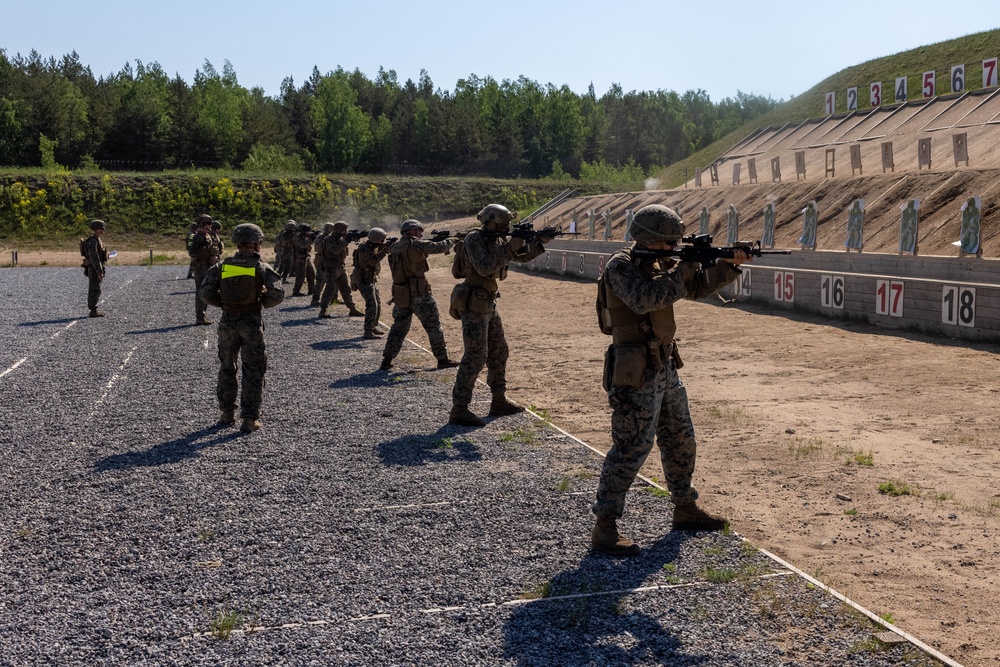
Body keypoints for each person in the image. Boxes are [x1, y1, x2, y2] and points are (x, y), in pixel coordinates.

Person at [591, 204, 751, 557]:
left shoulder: (662, 264)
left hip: (664, 363)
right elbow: (645, 298)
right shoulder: (622, 266)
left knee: (680, 437)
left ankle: (684, 507)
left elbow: (695, 289)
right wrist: (683, 267)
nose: (672, 249)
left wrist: (728, 265)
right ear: (649, 239)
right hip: (634, 370)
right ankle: (605, 526)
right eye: (668, 244)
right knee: (632, 446)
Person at [448, 204, 547, 426]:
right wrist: (511, 244)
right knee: (475, 356)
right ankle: (459, 408)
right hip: (474, 303)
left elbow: (519, 257)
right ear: (491, 221)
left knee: (499, 351)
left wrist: (538, 243)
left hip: (489, 303)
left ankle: (498, 400)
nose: (507, 227)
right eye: (504, 224)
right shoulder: (475, 239)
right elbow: (484, 267)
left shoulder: (497, 238)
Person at [200, 223, 285, 433]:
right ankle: (249, 419)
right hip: (251, 322)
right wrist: (260, 302)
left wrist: (225, 304)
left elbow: (206, 294)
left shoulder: (223, 266)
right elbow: (277, 294)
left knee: (227, 367)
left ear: (237, 242)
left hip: (227, 321)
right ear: (257, 243)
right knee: (253, 369)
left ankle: (226, 413)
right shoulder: (261, 267)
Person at [380, 219, 460, 371]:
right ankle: (442, 359)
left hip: (401, 294)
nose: (421, 234)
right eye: (419, 231)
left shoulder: (394, 247)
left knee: (398, 328)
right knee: (433, 326)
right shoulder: (416, 244)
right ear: (411, 231)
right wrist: (452, 240)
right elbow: (438, 248)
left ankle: (387, 360)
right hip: (419, 293)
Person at [351, 227, 392, 338]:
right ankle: (367, 331)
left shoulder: (372, 246)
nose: (382, 242)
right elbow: (373, 261)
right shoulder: (365, 248)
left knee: (377, 305)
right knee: (372, 306)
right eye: (381, 240)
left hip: (370, 279)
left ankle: (373, 326)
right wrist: (384, 251)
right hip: (364, 280)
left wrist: (385, 248)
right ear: (376, 239)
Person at [318, 221, 363, 318]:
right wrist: (345, 241)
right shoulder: (329, 239)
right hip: (331, 267)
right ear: (338, 229)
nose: (345, 231)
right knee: (330, 289)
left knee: (345, 288)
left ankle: (352, 309)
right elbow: (335, 250)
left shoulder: (339, 238)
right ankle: (323, 311)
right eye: (344, 230)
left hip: (340, 266)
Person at [188, 213, 218, 325]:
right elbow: (192, 252)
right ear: (204, 224)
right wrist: (204, 252)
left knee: (206, 290)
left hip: (208, 265)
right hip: (201, 266)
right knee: (201, 291)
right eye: (209, 223)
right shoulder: (199, 236)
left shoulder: (207, 235)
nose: (210, 226)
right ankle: (200, 316)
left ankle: (203, 315)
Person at [82, 219, 108, 317]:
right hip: (94, 268)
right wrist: (99, 271)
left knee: (96, 288)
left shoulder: (96, 239)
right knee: (94, 289)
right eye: (101, 228)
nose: (103, 230)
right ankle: (93, 310)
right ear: (96, 229)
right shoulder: (92, 241)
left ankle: (94, 309)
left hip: (95, 267)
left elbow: (98, 255)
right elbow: (94, 258)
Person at [290, 222, 317, 296]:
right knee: (301, 275)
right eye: (306, 231)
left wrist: (313, 236)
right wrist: (311, 239)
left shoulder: (304, 237)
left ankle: (311, 289)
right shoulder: (297, 237)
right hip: (299, 258)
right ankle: (296, 291)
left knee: (311, 274)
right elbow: (303, 245)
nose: (308, 232)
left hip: (306, 257)